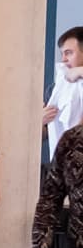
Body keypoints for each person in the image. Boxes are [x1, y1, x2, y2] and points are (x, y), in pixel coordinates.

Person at [45, 26, 83, 163]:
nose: (64, 59)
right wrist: (40, 121)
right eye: (62, 54)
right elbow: (46, 134)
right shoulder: (55, 90)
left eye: (69, 53)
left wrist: (79, 72)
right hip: (67, 165)